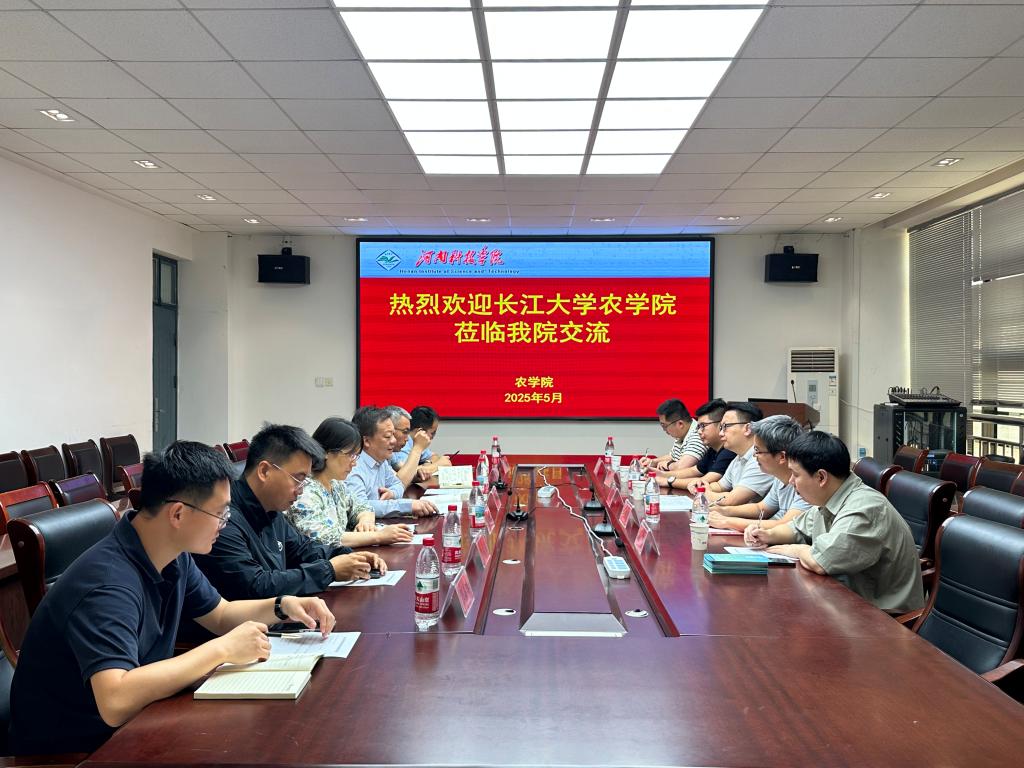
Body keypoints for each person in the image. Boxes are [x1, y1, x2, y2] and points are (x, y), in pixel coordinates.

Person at [8, 441, 336, 755]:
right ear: (177, 514)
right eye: (220, 514)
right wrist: (221, 650)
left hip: (139, 724)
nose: (224, 525)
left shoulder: (171, 554)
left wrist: (283, 605)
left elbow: (221, 614)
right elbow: (115, 700)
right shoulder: (107, 583)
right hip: (75, 752)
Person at [194, 424, 385, 600]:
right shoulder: (223, 520)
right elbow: (256, 586)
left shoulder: (272, 508)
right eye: (298, 479)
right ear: (264, 471)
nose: (301, 489)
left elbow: (303, 550)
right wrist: (330, 570)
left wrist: (347, 556)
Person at [746, 431, 925, 614]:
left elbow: (820, 562)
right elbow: (797, 528)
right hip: (845, 601)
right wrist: (766, 535)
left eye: (795, 474)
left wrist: (797, 550)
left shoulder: (865, 508)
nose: (791, 481)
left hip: (882, 617)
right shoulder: (832, 496)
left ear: (821, 477)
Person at [288, 417, 414, 546]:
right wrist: (378, 536)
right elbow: (323, 537)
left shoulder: (336, 485)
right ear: (326, 452)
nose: (354, 463)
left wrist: (365, 521)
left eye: (356, 456)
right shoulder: (304, 491)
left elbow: (362, 506)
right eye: (350, 455)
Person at [708, 415, 812, 532]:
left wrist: (727, 521)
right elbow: (761, 508)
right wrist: (724, 511)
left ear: (782, 457)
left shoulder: (806, 482)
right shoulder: (780, 477)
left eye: (757, 451)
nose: (754, 455)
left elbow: (786, 524)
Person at [345, 406, 438, 518]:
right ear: (367, 441)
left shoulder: (381, 461)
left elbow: (398, 484)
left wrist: (392, 493)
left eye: (393, 435)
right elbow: (360, 506)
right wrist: (408, 506)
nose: (393, 441)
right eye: (388, 436)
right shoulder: (353, 467)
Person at [687, 401, 773, 505]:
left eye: (725, 427)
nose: (720, 433)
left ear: (748, 429)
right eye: (721, 428)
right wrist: (701, 485)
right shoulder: (738, 458)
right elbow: (720, 486)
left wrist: (703, 492)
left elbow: (732, 499)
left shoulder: (760, 459)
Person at [666, 398, 736, 489]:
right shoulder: (712, 449)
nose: (699, 431)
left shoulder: (729, 450)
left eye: (703, 426)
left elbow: (702, 482)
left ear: (721, 425)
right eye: (698, 426)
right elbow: (693, 471)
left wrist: (667, 481)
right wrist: (661, 474)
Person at [640, 399, 706, 486]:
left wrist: (668, 465)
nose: (664, 430)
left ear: (680, 424)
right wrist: (653, 461)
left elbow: (682, 467)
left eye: (665, 426)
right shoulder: (683, 434)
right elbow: (673, 456)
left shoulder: (697, 435)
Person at [386, 405, 451, 486]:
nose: (407, 438)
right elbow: (401, 480)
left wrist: (426, 465)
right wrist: (436, 465)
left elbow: (406, 473)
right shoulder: (399, 448)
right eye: (405, 432)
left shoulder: (390, 454)